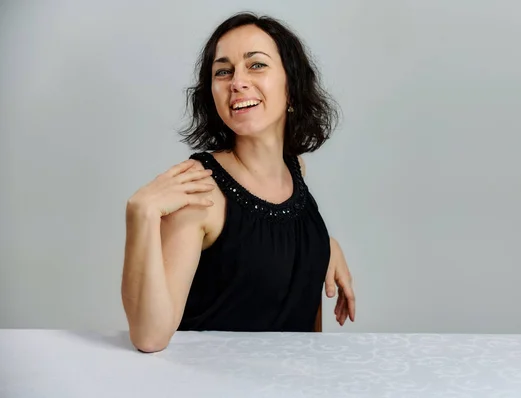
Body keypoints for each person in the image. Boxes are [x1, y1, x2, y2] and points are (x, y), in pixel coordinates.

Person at [121, 12, 355, 353]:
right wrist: (139, 215)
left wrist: (322, 245)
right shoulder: (200, 190)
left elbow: (266, 243)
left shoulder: (295, 170)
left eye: (256, 65)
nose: (237, 81)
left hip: (296, 380)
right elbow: (149, 336)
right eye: (223, 71)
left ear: (292, 86)